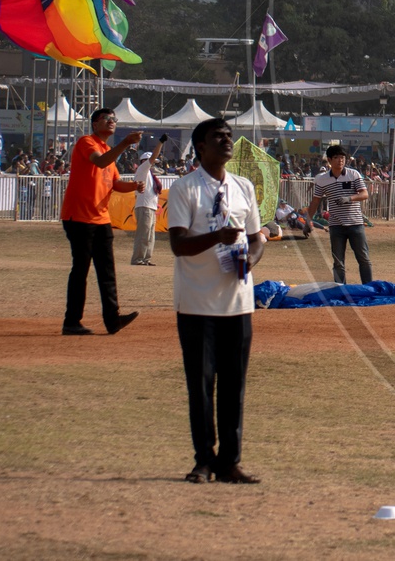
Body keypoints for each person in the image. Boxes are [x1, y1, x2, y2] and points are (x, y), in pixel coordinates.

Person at [166, 117, 266, 484]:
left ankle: (230, 462)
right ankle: (203, 460)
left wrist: (248, 261)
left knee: (234, 386)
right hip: (196, 304)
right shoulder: (184, 189)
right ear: (201, 147)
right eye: (217, 137)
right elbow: (177, 245)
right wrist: (217, 239)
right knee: (201, 384)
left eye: (229, 136)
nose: (226, 141)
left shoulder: (244, 187)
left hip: (238, 303)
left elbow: (256, 238)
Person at [61, 108, 144, 336]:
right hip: (79, 217)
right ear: (95, 124)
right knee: (81, 269)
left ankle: (112, 320)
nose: (112, 122)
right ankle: (72, 321)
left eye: (114, 119)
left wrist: (134, 186)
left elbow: (115, 183)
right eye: (107, 119)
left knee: (107, 271)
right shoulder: (87, 142)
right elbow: (99, 163)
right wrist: (126, 142)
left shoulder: (108, 150)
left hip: (101, 218)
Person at [311, 145, 372, 285]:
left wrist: (349, 198)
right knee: (338, 262)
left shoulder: (353, 174)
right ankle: (340, 289)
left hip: (355, 223)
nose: (340, 160)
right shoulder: (322, 179)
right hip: (336, 226)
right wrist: (308, 220)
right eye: (337, 157)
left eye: (343, 157)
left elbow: (364, 194)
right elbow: (315, 201)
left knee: (363, 258)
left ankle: (369, 288)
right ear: (329, 160)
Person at [128, 150, 163, 266]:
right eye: (152, 162)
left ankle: (146, 258)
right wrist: (160, 144)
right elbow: (152, 159)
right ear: (145, 161)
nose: (154, 165)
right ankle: (138, 258)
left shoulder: (149, 175)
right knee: (143, 234)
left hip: (150, 206)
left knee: (150, 236)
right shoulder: (142, 169)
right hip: (144, 205)